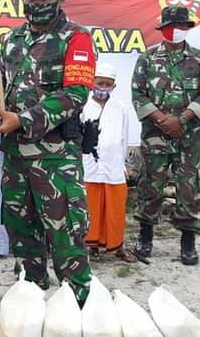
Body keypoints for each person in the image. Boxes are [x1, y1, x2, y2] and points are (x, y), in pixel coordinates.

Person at [0, 0, 96, 303]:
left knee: (66, 238)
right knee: (21, 236)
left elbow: (75, 94)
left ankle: (78, 307)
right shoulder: (12, 40)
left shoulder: (76, 38)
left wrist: (22, 120)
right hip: (16, 158)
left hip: (56, 159)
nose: (37, 3)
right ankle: (29, 304)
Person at [132, 4, 200, 266]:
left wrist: (181, 120)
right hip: (155, 134)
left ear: (188, 28)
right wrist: (162, 119)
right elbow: (138, 94)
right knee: (150, 184)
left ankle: (188, 243)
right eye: (171, 26)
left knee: (188, 187)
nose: (175, 30)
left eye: (181, 26)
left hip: (188, 136)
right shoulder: (147, 58)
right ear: (162, 29)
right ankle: (145, 238)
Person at [80, 63, 136, 263]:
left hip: (114, 166)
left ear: (114, 86)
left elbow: (124, 137)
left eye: (107, 84)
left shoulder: (121, 108)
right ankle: (91, 245)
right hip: (89, 165)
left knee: (115, 209)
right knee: (91, 207)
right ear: (92, 83)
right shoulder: (83, 106)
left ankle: (117, 245)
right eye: (100, 83)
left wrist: (123, 165)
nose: (103, 88)